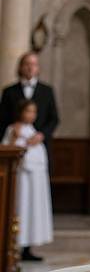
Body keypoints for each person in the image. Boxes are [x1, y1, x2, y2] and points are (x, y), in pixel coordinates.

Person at [2, 99, 53, 261]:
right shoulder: (12, 129)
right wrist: (16, 139)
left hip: (36, 179)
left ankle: (27, 247)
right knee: (21, 207)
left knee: (32, 210)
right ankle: (15, 246)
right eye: (28, 111)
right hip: (22, 178)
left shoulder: (34, 130)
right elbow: (7, 150)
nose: (32, 115)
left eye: (34, 112)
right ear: (20, 112)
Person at [0, 52, 60, 170]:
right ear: (20, 67)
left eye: (34, 64)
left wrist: (41, 135)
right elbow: (2, 118)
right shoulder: (9, 91)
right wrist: (12, 129)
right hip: (15, 144)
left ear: (38, 68)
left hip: (39, 145)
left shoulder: (47, 91)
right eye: (27, 64)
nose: (30, 67)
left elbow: (54, 118)